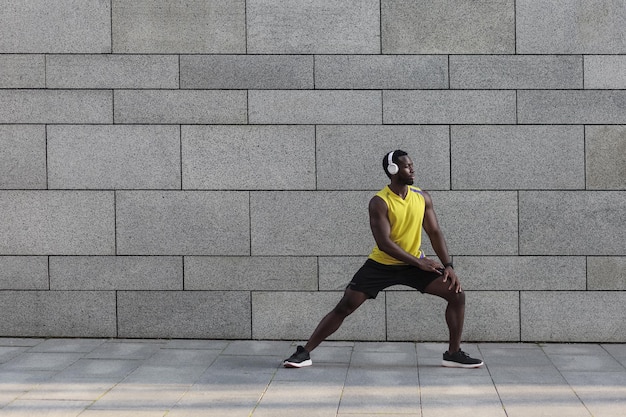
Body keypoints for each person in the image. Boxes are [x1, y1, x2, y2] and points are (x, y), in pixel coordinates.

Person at [283, 150, 483, 369]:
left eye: (412, 165)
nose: (412, 169)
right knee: (345, 305)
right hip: (382, 265)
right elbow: (384, 243)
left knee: (457, 295)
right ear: (393, 170)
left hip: (415, 263)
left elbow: (434, 232)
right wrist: (420, 262)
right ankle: (304, 352)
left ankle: (453, 353)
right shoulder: (379, 202)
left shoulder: (422, 197)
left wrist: (448, 266)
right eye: (407, 166)